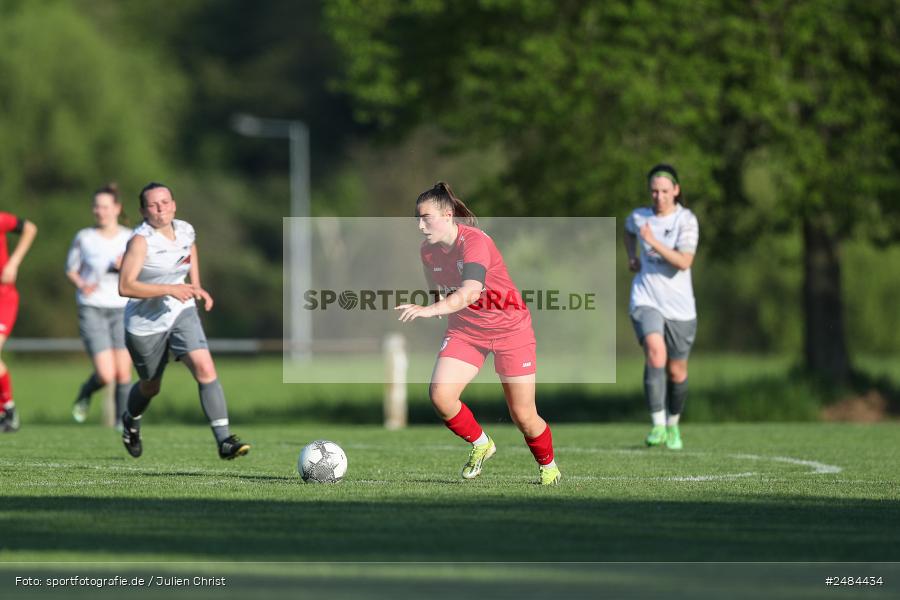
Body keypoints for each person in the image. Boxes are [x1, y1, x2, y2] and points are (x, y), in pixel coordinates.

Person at [395, 182, 560, 485]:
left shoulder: (474, 243)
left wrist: (431, 311)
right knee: (441, 396)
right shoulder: (428, 252)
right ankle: (481, 444)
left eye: (425, 218)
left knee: (523, 415)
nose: (420, 226)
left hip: (511, 330)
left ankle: (548, 466)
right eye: (417, 219)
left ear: (447, 215)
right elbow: (439, 292)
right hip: (466, 332)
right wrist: (436, 307)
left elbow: (471, 291)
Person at [117, 182, 250, 460]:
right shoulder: (141, 241)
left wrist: (196, 285)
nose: (160, 208)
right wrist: (170, 289)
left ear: (174, 205)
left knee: (205, 366)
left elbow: (191, 250)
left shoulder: (185, 229)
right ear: (143, 211)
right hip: (144, 324)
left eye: (165, 202)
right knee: (150, 386)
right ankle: (130, 419)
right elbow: (126, 287)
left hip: (180, 311)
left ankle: (224, 440)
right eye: (153, 204)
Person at [624, 164, 699, 450]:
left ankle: (673, 425)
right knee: (656, 353)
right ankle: (656, 424)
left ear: (676, 191)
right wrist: (632, 256)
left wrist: (652, 242)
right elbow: (628, 231)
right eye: (654, 191)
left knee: (677, 371)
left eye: (665, 191)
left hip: (681, 308)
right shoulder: (639, 217)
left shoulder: (686, 221)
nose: (659, 197)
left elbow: (684, 261)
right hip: (646, 299)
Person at [66, 184, 133, 427]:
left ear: (117, 208)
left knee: (123, 372)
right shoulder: (84, 237)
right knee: (106, 375)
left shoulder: (130, 237)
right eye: (96, 206)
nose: (100, 211)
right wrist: (82, 284)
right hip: (92, 307)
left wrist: (125, 264)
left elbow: (141, 271)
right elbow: (71, 269)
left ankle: (121, 424)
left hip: (123, 308)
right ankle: (86, 391)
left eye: (105, 206)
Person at [0, 211, 37, 433]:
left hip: (3, 297)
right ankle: (6, 411)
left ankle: (9, 410)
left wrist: (13, 262)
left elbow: (30, 228)